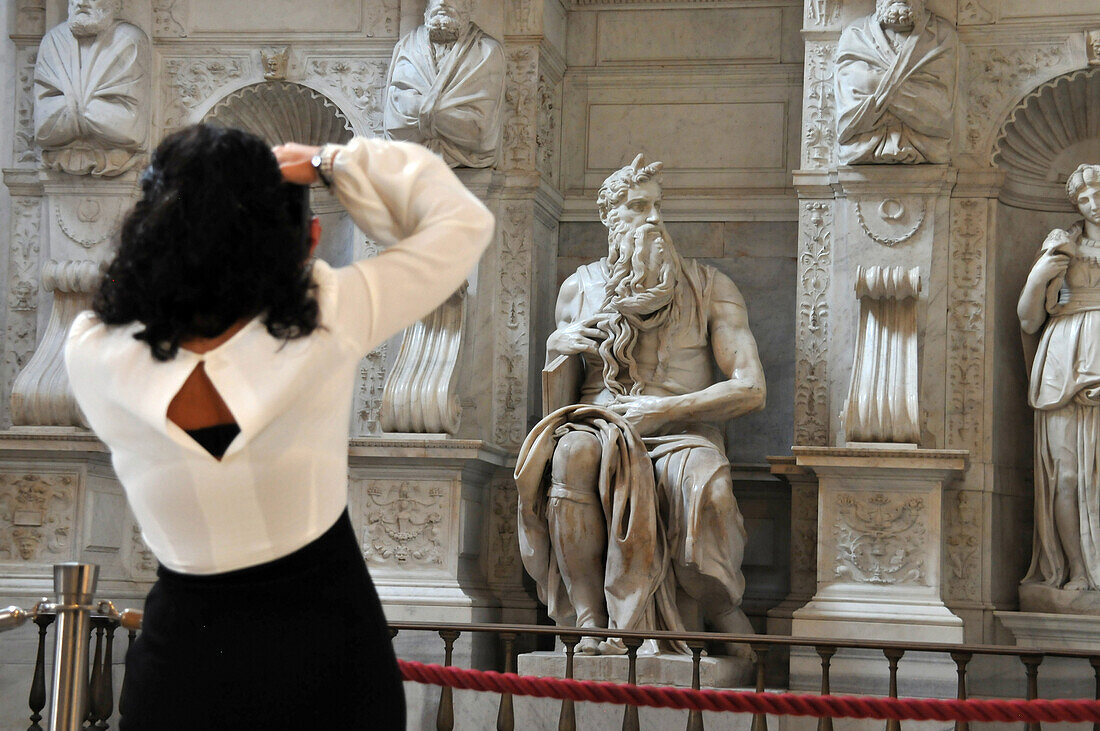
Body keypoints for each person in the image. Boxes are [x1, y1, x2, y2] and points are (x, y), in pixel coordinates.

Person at [64, 124, 494, 728]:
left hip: (181, 665)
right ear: (310, 241)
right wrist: (327, 161)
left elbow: (131, 300)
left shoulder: (90, 349)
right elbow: (462, 220)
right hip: (330, 654)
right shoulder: (328, 316)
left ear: (153, 233)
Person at [515, 155, 766, 655]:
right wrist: (556, 350)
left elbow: (751, 388)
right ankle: (588, 621)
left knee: (708, 489)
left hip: (682, 428)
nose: (652, 218)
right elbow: (556, 408)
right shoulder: (579, 288)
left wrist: (665, 411)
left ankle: (720, 607)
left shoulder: (710, 286)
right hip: (598, 421)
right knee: (570, 456)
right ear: (610, 217)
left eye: (657, 206)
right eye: (637, 206)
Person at [1019, 163, 1100, 595]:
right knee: (1066, 477)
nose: (1094, 204)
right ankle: (1078, 571)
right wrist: (1040, 273)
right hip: (1063, 359)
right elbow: (1029, 318)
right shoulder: (1061, 243)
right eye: (1085, 198)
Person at [383, 0, 505, 168]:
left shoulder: (487, 51)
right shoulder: (407, 47)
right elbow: (396, 123)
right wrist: (449, 117)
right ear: (426, 9)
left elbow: (479, 133)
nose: (443, 2)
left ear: (468, 7)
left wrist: (420, 109)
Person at [34, 0, 150, 176]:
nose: (82, 2)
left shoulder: (129, 40)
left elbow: (128, 128)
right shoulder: (53, 41)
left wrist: (68, 111)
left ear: (115, 4)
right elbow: (43, 127)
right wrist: (96, 112)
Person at [834, 0, 957, 165]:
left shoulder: (942, 35)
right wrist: (912, 94)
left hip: (929, 151)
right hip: (860, 151)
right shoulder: (855, 35)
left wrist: (875, 88)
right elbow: (849, 114)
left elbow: (938, 111)